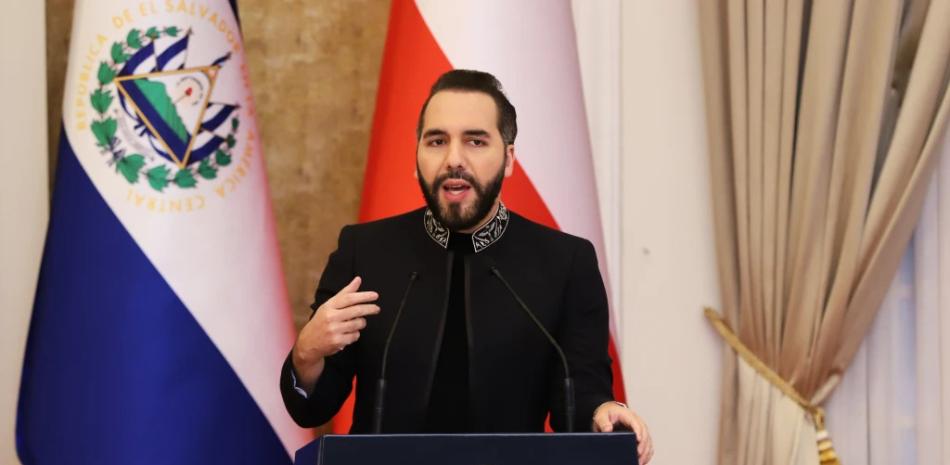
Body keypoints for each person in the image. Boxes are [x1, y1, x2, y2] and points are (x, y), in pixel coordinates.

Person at [280, 69, 653, 463]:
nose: (453, 160)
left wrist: (603, 412)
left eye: (475, 141)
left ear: (508, 159)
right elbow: (313, 407)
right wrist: (306, 353)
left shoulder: (565, 262)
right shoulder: (365, 251)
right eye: (437, 141)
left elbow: (581, 393)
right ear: (416, 157)